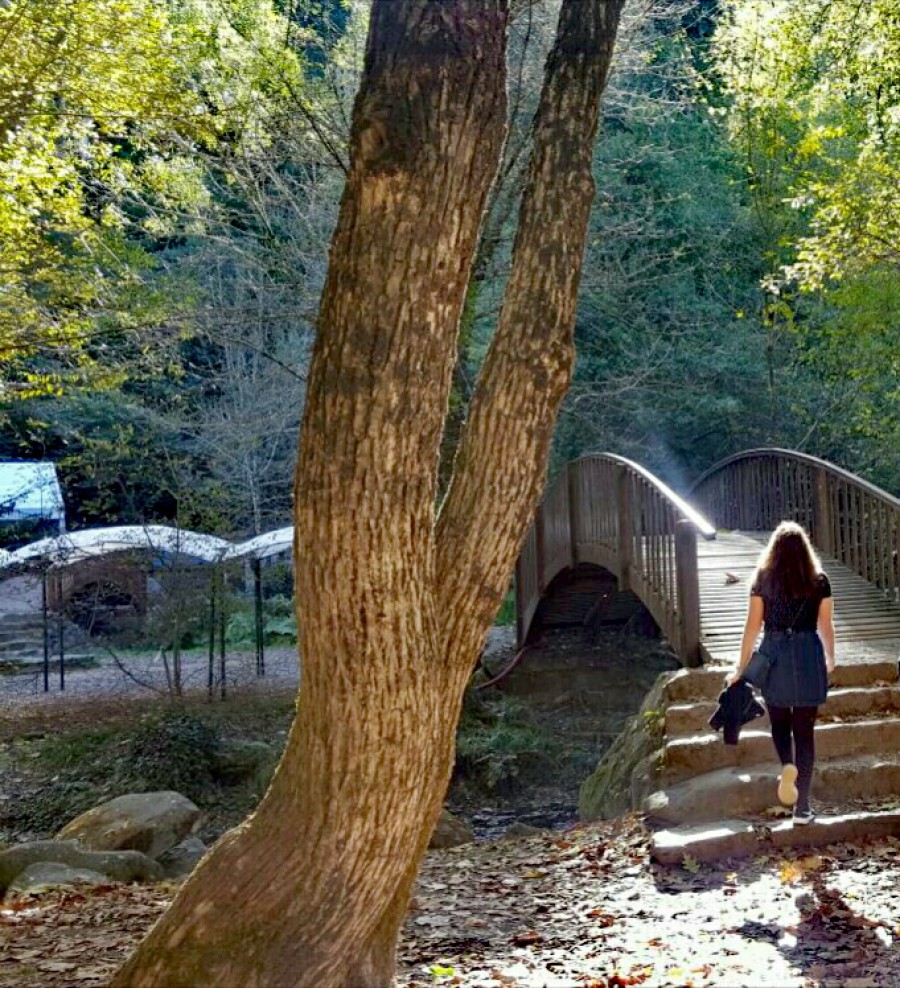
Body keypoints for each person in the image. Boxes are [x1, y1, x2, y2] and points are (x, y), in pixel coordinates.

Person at [727, 521, 836, 824]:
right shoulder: (819, 580)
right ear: (805, 550)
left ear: (773, 550)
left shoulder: (762, 579)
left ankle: (786, 764)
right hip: (808, 653)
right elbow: (825, 626)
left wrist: (740, 668)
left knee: (779, 723)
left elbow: (752, 628)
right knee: (805, 732)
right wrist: (831, 658)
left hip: (773, 655)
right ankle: (803, 808)